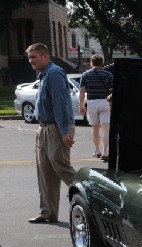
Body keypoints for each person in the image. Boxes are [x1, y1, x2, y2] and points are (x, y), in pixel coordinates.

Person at [26, 43, 76, 223]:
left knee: (62, 168)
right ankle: (47, 213)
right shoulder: (43, 75)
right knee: (45, 173)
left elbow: (60, 103)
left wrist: (64, 131)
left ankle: (95, 200)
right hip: (44, 127)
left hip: (56, 127)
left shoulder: (54, 73)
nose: (31, 61)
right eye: (30, 58)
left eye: (34, 57)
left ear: (45, 57)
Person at [79, 54, 112, 162]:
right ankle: (105, 152)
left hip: (92, 102)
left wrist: (81, 105)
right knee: (106, 129)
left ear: (91, 63)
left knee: (95, 128)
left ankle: (97, 151)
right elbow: (113, 90)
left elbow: (82, 92)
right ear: (102, 63)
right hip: (105, 102)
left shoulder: (85, 75)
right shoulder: (108, 75)